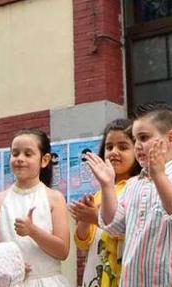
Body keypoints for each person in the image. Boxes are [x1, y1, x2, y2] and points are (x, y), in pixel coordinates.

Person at [87, 103, 172, 287]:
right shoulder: (133, 184)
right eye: (135, 140)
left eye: (144, 137)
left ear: (171, 138)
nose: (138, 146)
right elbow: (115, 225)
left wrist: (158, 175)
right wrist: (107, 186)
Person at [0, 129, 71, 287]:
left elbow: (62, 251)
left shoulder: (54, 198)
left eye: (28, 154)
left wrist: (32, 231)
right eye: (15, 153)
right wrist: (10, 266)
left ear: (45, 160)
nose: (19, 159)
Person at [70, 118, 141, 287]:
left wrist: (96, 217)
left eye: (123, 147)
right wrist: (84, 221)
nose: (114, 152)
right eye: (109, 147)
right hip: (96, 274)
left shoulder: (140, 187)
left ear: (138, 151)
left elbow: (137, 230)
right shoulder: (98, 194)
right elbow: (83, 242)